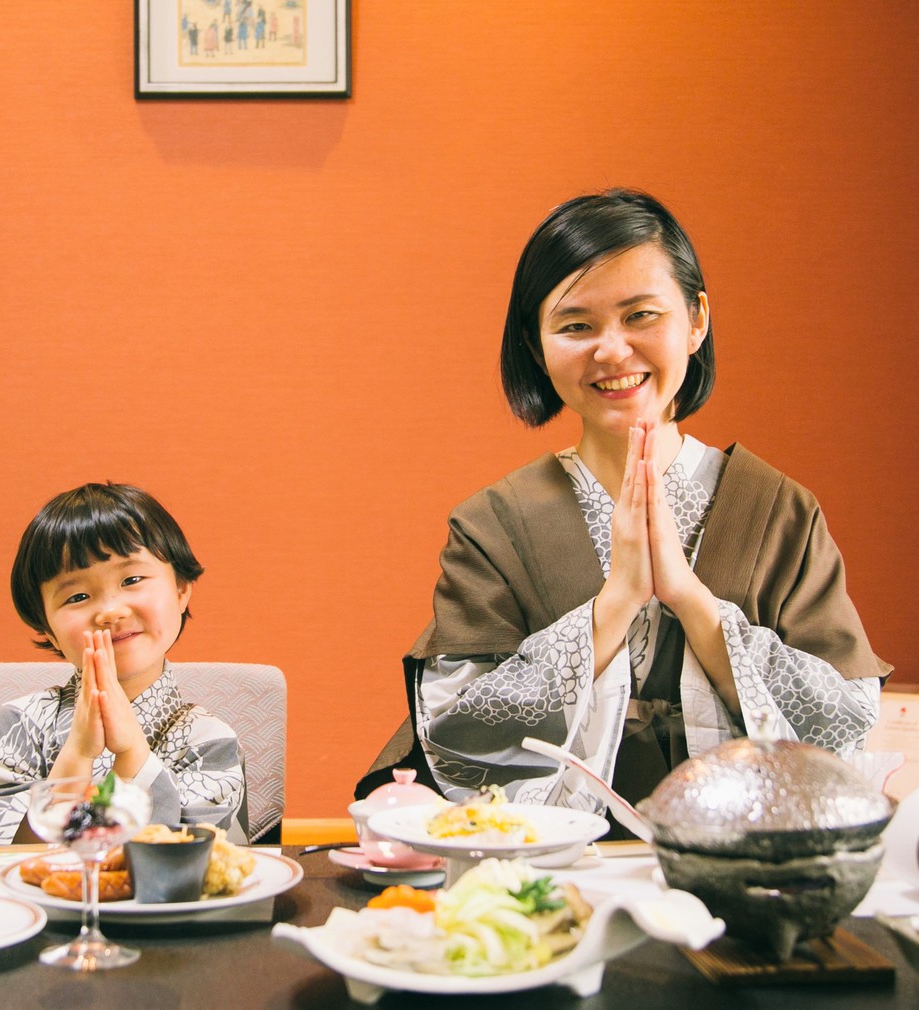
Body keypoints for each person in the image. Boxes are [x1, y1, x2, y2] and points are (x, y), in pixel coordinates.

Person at [356, 190, 889, 830]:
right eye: (576, 326)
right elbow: (456, 735)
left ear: (696, 320)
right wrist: (615, 605)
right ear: (535, 344)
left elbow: (845, 718)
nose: (612, 351)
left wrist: (691, 600)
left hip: (743, 862)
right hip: (555, 865)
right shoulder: (493, 525)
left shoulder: (778, 510)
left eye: (641, 315)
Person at [0, 483, 249, 844]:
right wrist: (76, 752)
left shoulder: (210, 742)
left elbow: (207, 866)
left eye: (132, 579)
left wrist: (132, 752)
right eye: (77, 596)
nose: (110, 611)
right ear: (49, 629)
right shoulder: (13, 730)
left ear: (181, 590)